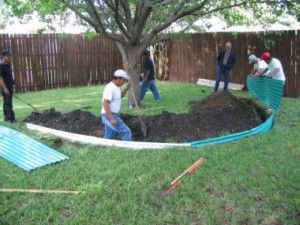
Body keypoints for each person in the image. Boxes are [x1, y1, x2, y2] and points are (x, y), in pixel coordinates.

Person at [101, 69, 132, 141]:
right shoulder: (110, 88)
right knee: (126, 132)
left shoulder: (116, 87)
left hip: (110, 115)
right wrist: (111, 118)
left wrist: (127, 88)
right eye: (124, 80)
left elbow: (119, 96)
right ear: (118, 78)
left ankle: (105, 148)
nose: (124, 82)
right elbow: (105, 103)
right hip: (110, 115)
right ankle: (127, 150)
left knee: (109, 137)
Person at [0, 50, 16, 122]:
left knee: (6, 102)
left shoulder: (8, 64)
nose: (10, 57)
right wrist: (5, 88)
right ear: (3, 57)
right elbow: (0, 78)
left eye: (10, 55)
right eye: (8, 56)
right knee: (8, 103)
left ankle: (6, 117)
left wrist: (12, 84)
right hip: (5, 87)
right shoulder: (1, 65)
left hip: (9, 86)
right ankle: (11, 119)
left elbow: (8, 76)